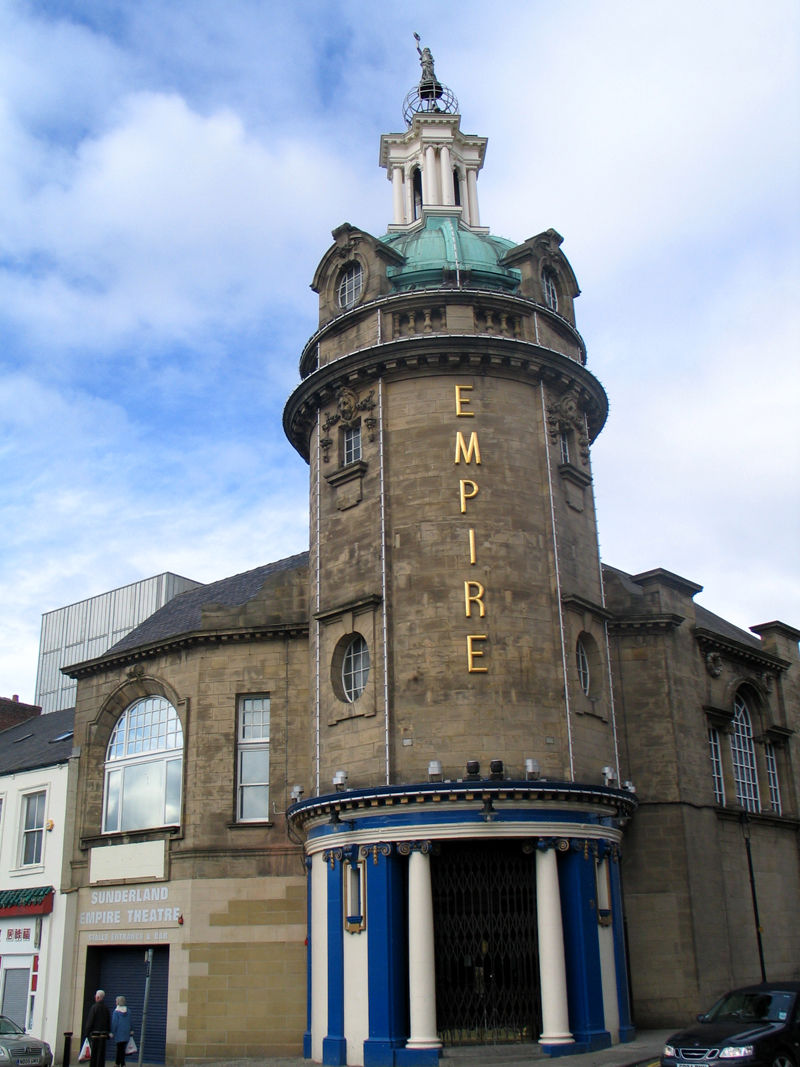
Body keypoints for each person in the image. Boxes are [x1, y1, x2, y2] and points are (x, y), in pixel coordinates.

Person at [84, 990, 111, 1067]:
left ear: (98, 997)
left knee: (94, 1054)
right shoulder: (106, 1008)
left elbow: (90, 1021)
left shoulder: (94, 1007)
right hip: (103, 1035)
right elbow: (108, 1021)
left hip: (95, 1035)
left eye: (95, 996)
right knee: (101, 1054)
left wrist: (86, 1033)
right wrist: (108, 1032)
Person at [110, 995, 133, 1067]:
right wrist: (131, 1030)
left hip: (119, 1033)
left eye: (116, 1001)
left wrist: (112, 1032)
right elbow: (130, 1021)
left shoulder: (116, 1012)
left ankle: (119, 1063)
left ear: (118, 1002)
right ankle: (121, 1063)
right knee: (122, 1048)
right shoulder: (128, 1011)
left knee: (119, 1048)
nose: (115, 1002)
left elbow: (114, 1023)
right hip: (126, 1033)